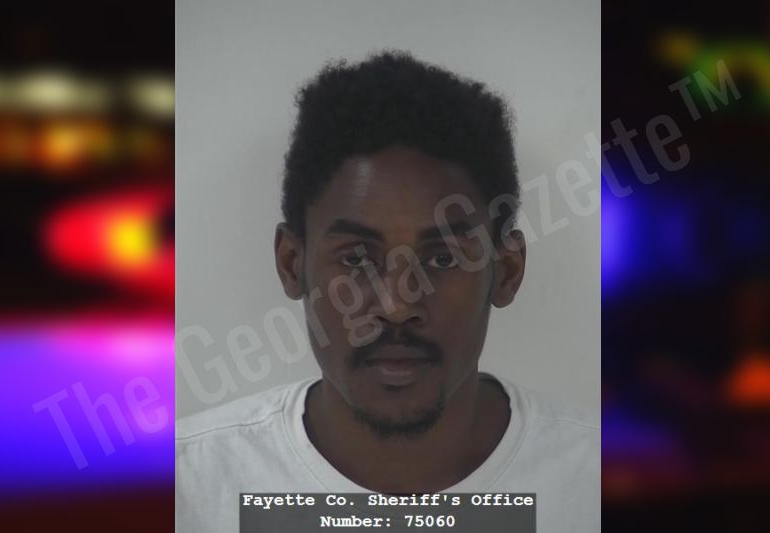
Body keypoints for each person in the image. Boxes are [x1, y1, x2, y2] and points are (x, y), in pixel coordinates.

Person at [176, 51, 598, 532]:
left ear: (506, 271)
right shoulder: (187, 487)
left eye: (443, 259)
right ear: (292, 264)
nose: (397, 305)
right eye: (357, 259)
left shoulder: (598, 483)